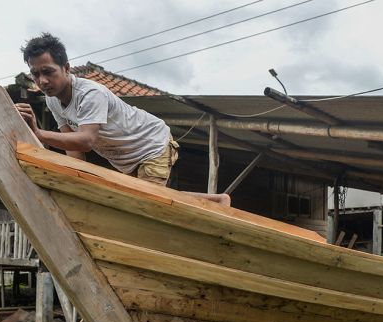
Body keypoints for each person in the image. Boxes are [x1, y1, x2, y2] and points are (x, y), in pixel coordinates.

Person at [15, 33, 230, 205]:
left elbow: (86, 141)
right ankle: (216, 200)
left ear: (67, 68)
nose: (42, 81)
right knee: (151, 197)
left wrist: (39, 134)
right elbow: (75, 151)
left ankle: (214, 205)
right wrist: (76, 185)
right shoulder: (52, 100)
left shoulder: (90, 94)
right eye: (35, 74)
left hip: (152, 145)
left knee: (146, 203)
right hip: (127, 159)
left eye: (48, 72)